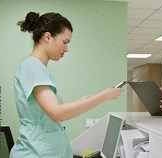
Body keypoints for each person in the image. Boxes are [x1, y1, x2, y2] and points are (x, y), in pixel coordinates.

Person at [10, 11, 123, 158]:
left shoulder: (37, 68)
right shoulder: (33, 67)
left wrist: (88, 99)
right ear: (48, 37)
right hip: (36, 153)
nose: (66, 48)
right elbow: (57, 113)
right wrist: (105, 96)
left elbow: (50, 113)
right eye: (65, 42)